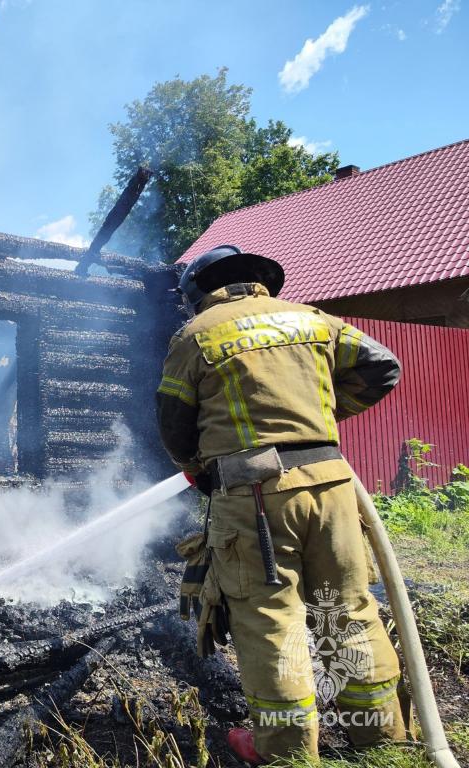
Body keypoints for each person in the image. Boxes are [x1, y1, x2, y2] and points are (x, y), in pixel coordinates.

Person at [156, 244, 406, 764]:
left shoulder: (196, 335)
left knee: (270, 620)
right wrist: (318, 420)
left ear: (198, 293)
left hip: (254, 497)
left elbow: (174, 426)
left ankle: (287, 754)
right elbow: (384, 367)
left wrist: (198, 467)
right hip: (333, 487)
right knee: (350, 611)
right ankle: (384, 746)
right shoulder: (313, 319)